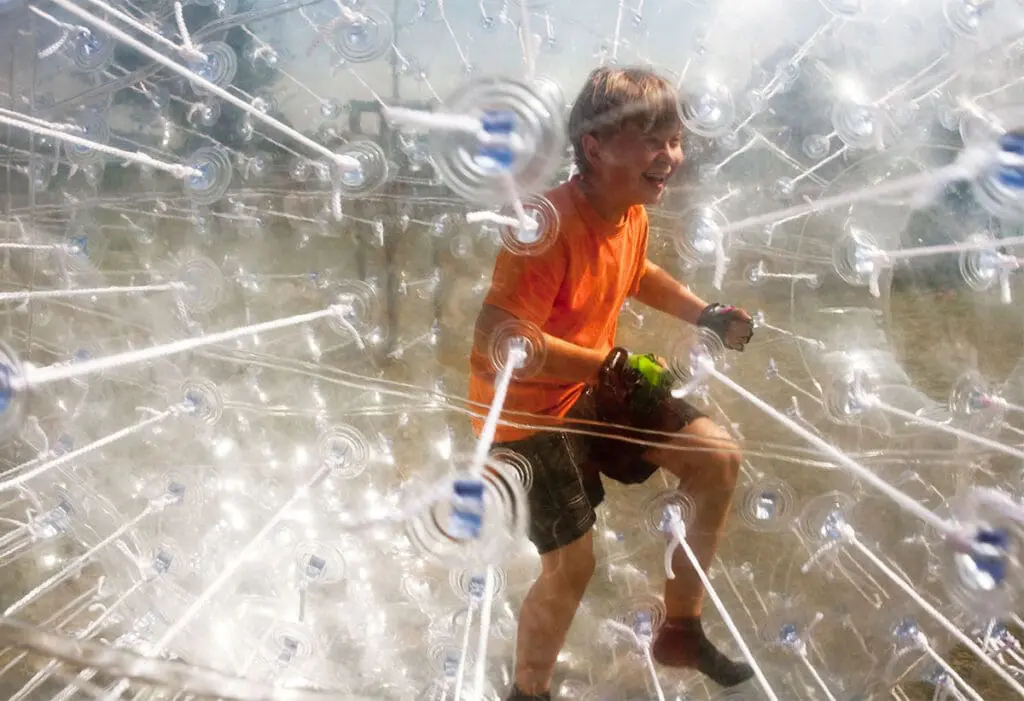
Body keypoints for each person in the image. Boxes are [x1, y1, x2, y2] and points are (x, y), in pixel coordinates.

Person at [467, 66, 756, 700]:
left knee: (718, 460)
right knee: (573, 565)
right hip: (524, 415)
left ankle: (680, 630)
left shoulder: (628, 214)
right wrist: (606, 366)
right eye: (652, 139)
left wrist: (702, 312)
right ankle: (528, 691)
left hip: (593, 384)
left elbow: (638, 271)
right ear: (594, 147)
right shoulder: (543, 227)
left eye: (675, 139)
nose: (670, 156)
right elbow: (501, 339)